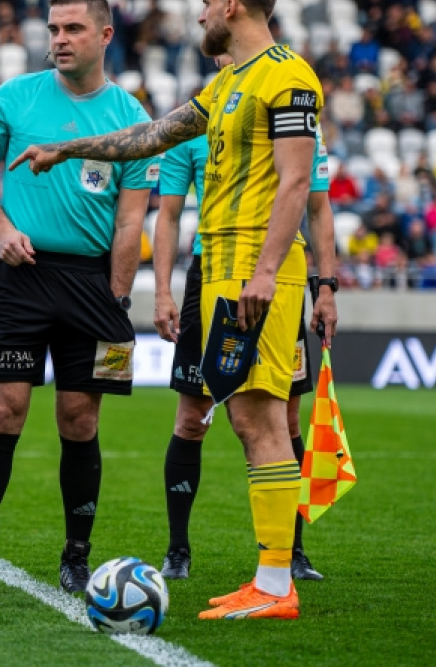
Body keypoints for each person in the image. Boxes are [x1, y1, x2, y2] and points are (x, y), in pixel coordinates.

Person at [11, 0, 324, 620]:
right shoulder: (228, 84)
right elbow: (150, 135)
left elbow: (296, 183)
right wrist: (68, 151)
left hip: (257, 271)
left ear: (233, 7)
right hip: (223, 271)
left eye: (207, 2)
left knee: (265, 418)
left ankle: (275, 586)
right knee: (245, 417)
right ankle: (269, 580)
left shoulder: (287, 77)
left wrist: (267, 271)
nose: (201, 14)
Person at [0, 0, 158, 598]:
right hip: (19, 281)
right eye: (52, 29)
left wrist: (117, 298)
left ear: (104, 36)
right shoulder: (12, 99)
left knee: (80, 418)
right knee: (3, 411)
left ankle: (77, 555)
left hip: (94, 286)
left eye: (72, 28)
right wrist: (3, 228)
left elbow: (131, 223)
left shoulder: (134, 118)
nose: (59, 40)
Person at [154, 55, 338, 584]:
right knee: (193, 417)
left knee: (284, 419)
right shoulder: (196, 119)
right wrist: (163, 290)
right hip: (209, 279)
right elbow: (168, 214)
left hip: (274, 275)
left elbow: (318, 207)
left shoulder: (293, 119)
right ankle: (178, 549)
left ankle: (291, 552)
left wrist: (325, 286)